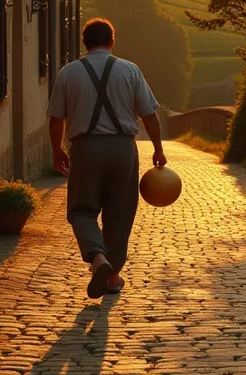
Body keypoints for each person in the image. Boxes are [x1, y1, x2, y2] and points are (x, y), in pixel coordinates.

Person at [47, 18, 168, 298]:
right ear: (112, 42)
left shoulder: (68, 73)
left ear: (84, 43)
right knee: (119, 213)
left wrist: (56, 149)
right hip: (123, 150)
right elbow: (149, 114)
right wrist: (158, 149)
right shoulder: (130, 70)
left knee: (81, 210)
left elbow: (56, 118)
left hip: (86, 149)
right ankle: (113, 278)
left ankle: (97, 257)